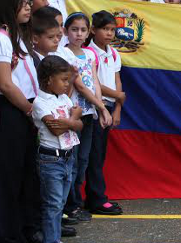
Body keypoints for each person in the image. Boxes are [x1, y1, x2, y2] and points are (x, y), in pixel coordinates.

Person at [0, 0, 40, 243]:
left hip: (22, 110)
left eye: (29, 2)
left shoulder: (14, 36)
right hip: (10, 111)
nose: (28, 8)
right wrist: (30, 110)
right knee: (5, 177)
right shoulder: (0, 38)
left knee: (24, 173)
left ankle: (23, 229)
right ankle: (4, 235)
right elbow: (5, 84)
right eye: (24, 3)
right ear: (8, 5)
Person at [56, 13, 112, 223]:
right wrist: (101, 107)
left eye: (82, 30)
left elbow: (95, 81)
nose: (78, 34)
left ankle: (75, 204)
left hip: (89, 113)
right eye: (74, 29)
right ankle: (69, 205)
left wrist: (100, 108)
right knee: (72, 161)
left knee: (83, 160)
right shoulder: (64, 53)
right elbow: (79, 84)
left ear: (88, 32)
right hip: (74, 113)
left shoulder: (89, 55)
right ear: (65, 31)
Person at [32, 55, 82, 243]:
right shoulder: (40, 102)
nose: (67, 84)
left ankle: (52, 237)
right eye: (63, 80)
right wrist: (73, 118)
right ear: (48, 80)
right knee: (52, 204)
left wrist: (70, 121)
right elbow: (55, 129)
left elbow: (80, 126)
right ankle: (51, 240)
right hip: (50, 159)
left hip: (68, 157)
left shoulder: (64, 99)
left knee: (59, 203)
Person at [84, 11, 126, 216]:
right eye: (105, 29)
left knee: (99, 154)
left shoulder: (114, 53)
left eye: (112, 30)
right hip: (94, 106)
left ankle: (94, 196)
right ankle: (96, 199)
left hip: (109, 107)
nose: (109, 34)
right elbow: (94, 83)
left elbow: (117, 79)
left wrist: (117, 107)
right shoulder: (89, 53)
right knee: (93, 154)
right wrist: (117, 95)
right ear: (93, 30)